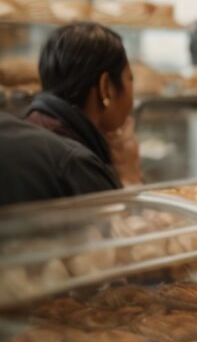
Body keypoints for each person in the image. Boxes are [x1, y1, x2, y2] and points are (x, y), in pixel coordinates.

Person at [0, 22, 134, 206]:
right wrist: (129, 175)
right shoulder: (76, 165)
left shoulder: (30, 124)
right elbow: (120, 229)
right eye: (130, 78)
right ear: (106, 88)